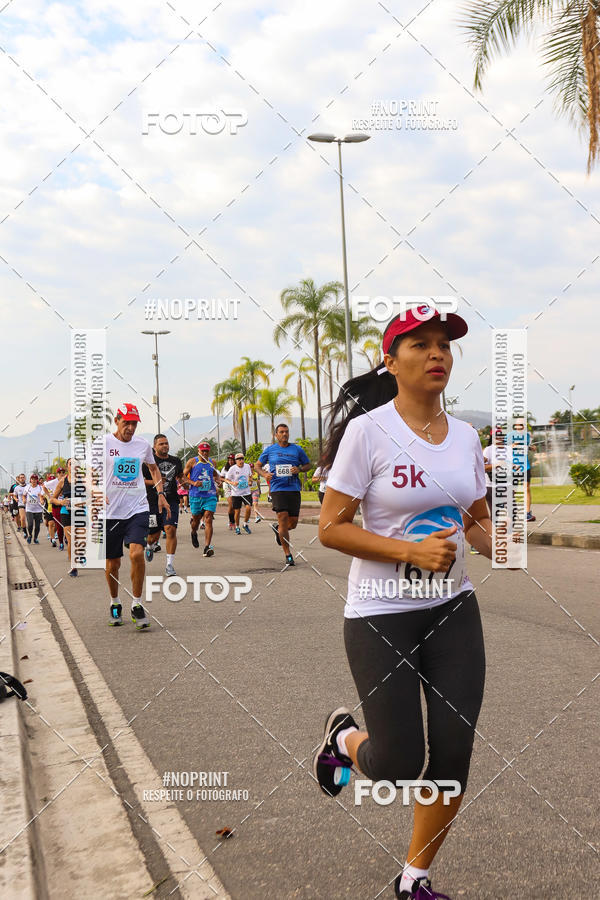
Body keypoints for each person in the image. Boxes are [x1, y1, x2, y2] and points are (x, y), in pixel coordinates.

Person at [313, 307, 494, 900]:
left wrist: (507, 543)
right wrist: (409, 551)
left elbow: (476, 523)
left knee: (453, 752)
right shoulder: (369, 433)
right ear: (391, 362)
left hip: (453, 611)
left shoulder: (466, 437)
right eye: (421, 344)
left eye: (444, 344)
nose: (437, 353)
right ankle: (343, 739)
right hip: (380, 615)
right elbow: (331, 528)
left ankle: (414, 878)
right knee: (396, 763)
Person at [95, 403, 170, 628]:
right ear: (116, 421)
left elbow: (153, 468)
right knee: (113, 563)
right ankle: (115, 601)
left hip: (137, 507)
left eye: (134, 423)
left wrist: (160, 493)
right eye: (126, 422)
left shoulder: (142, 444)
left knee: (137, 554)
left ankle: (137, 604)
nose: (130, 427)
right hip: (110, 512)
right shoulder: (102, 443)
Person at [255, 424, 311, 567]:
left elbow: (308, 465)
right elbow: (257, 465)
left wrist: (299, 469)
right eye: (281, 432)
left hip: (293, 488)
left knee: (292, 524)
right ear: (276, 435)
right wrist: (264, 474)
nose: (284, 434)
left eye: (286, 432)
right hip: (277, 488)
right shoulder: (270, 450)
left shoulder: (297, 449)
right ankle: (288, 555)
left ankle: (278, 528)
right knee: (283, 517)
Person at [142, 434, 184, 577]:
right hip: (152, 502)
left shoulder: (176, 461)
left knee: (170, 529)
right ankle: (149, 545)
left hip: (171, 500)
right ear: (154, 447)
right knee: (153, 535)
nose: (165, 445)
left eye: (166, 443)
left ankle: (169, 565)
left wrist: (187, 482)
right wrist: (157, 482)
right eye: (161, 444)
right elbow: (141, 480)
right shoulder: (148, 462)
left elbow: (180, 476)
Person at [183, 442, 221, 557]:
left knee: (208, 518)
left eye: (207, 451)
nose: (204, 453)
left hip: (210, 495)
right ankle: (193, 532)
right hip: (195, 495)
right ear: (198, 451)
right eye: (202, 451)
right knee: (196, 519)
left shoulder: (212, 462)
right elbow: (182, 476)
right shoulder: (192, 462)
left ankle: (207, 547)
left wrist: (217, 481)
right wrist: (193, 482)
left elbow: (215, 474)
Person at [50, 459, 78, 576]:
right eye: (71, 464)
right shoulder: (62, 481)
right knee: (71, 540)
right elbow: (52, 499)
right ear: (67, 467)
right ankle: (73, 566)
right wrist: (61, 502)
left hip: (81, 513)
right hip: (66, 512)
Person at [223, 453, 253, 534]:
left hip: (246, 492)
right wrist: (232, 483)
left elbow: (250, 476)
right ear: (236, 461)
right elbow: (226, 479)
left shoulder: (247, 466)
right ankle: (237, 527)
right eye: (239, 459)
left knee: (248, 508)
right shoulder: (232, 468)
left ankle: (245, 524)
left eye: (242, 459)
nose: (241, 461)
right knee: (237, 511)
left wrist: (250, 481)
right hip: (236, 493)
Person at [23, 473, 47, 543]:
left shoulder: (40, 488)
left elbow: (42, 497)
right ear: (30, 480)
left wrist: (42, 500)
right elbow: (24, 495)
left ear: (37, 480)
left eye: (35, 479)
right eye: (32, 479)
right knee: (30, 524)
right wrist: (24, 499)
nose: (33, 480)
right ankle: (30, 535)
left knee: (37, 526)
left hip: (38, 509)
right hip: (29, 509)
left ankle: (35, 538)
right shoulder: (27, 487)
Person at [220, 453, 236, 530]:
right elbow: (221, 478)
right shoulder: (225, 468)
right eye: (229, 460)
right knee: (231, 504)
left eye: (232, 460)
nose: (230, 461)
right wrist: (225, 480)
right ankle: (231, 521)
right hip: (227, 486)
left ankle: (234, 521)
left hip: (235, 487)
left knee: (235, 505)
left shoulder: (237, 468)